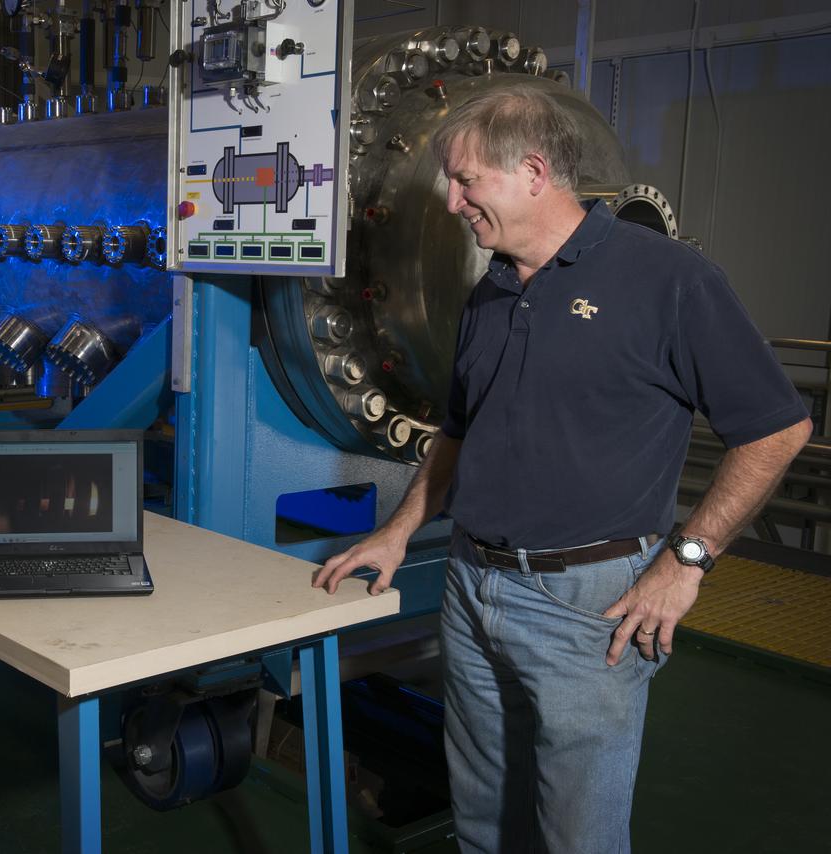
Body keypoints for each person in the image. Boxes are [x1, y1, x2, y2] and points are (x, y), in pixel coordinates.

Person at [313, 85, 810, 853]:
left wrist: (687, 560)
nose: (451, 202)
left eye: (466, 181)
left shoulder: (670, 282)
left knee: (579, 833)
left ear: (534, 172)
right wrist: (399, 531)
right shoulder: (493, 290)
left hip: (588, 606)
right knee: (482, 815)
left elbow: (778, 429)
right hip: (472, 583)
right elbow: (459, 429)